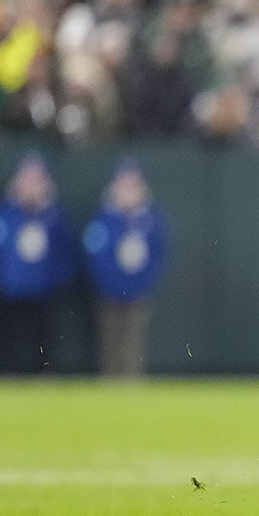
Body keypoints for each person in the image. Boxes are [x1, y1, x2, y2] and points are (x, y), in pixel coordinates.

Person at [0, 151, 79, 373]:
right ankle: (8, 376)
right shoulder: (4, 211)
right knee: (8, 340)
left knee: (44, 341)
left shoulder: (54, 215)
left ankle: (45, 377)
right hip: (9, 292)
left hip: (44, 291)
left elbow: (65, 253)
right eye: (27, 178)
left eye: (37, 179)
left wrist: (58, 283)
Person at [82, 158, 169, 377]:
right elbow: (94, 255)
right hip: (108, 292)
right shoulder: (103, 218)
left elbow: (159, 253)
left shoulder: (150, 218)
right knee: (110, 341)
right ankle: (111, 384)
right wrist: (105, 284)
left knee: (133, 342)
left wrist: (144, 283)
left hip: (137, 292)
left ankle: (132, 383)